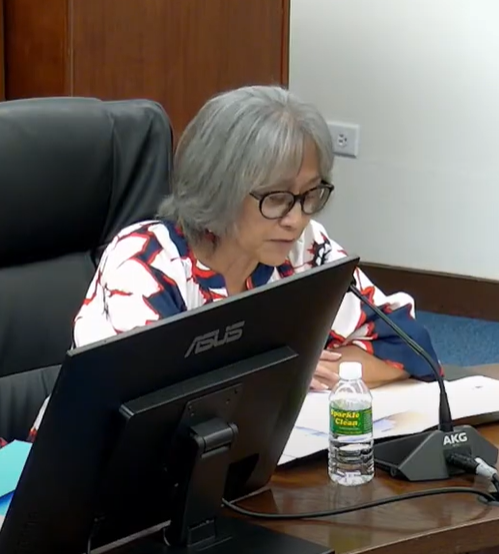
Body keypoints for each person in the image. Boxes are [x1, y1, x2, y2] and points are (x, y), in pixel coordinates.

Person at [28, 85, 440, 440]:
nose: (296, 219)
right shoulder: (147, 262)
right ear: (219, 188)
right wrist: (287, 374)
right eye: (276, 198)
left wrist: (305, 367)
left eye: (310, 194)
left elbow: (411, 347)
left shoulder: (303, 248)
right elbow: (158, 414)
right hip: (85, 490)